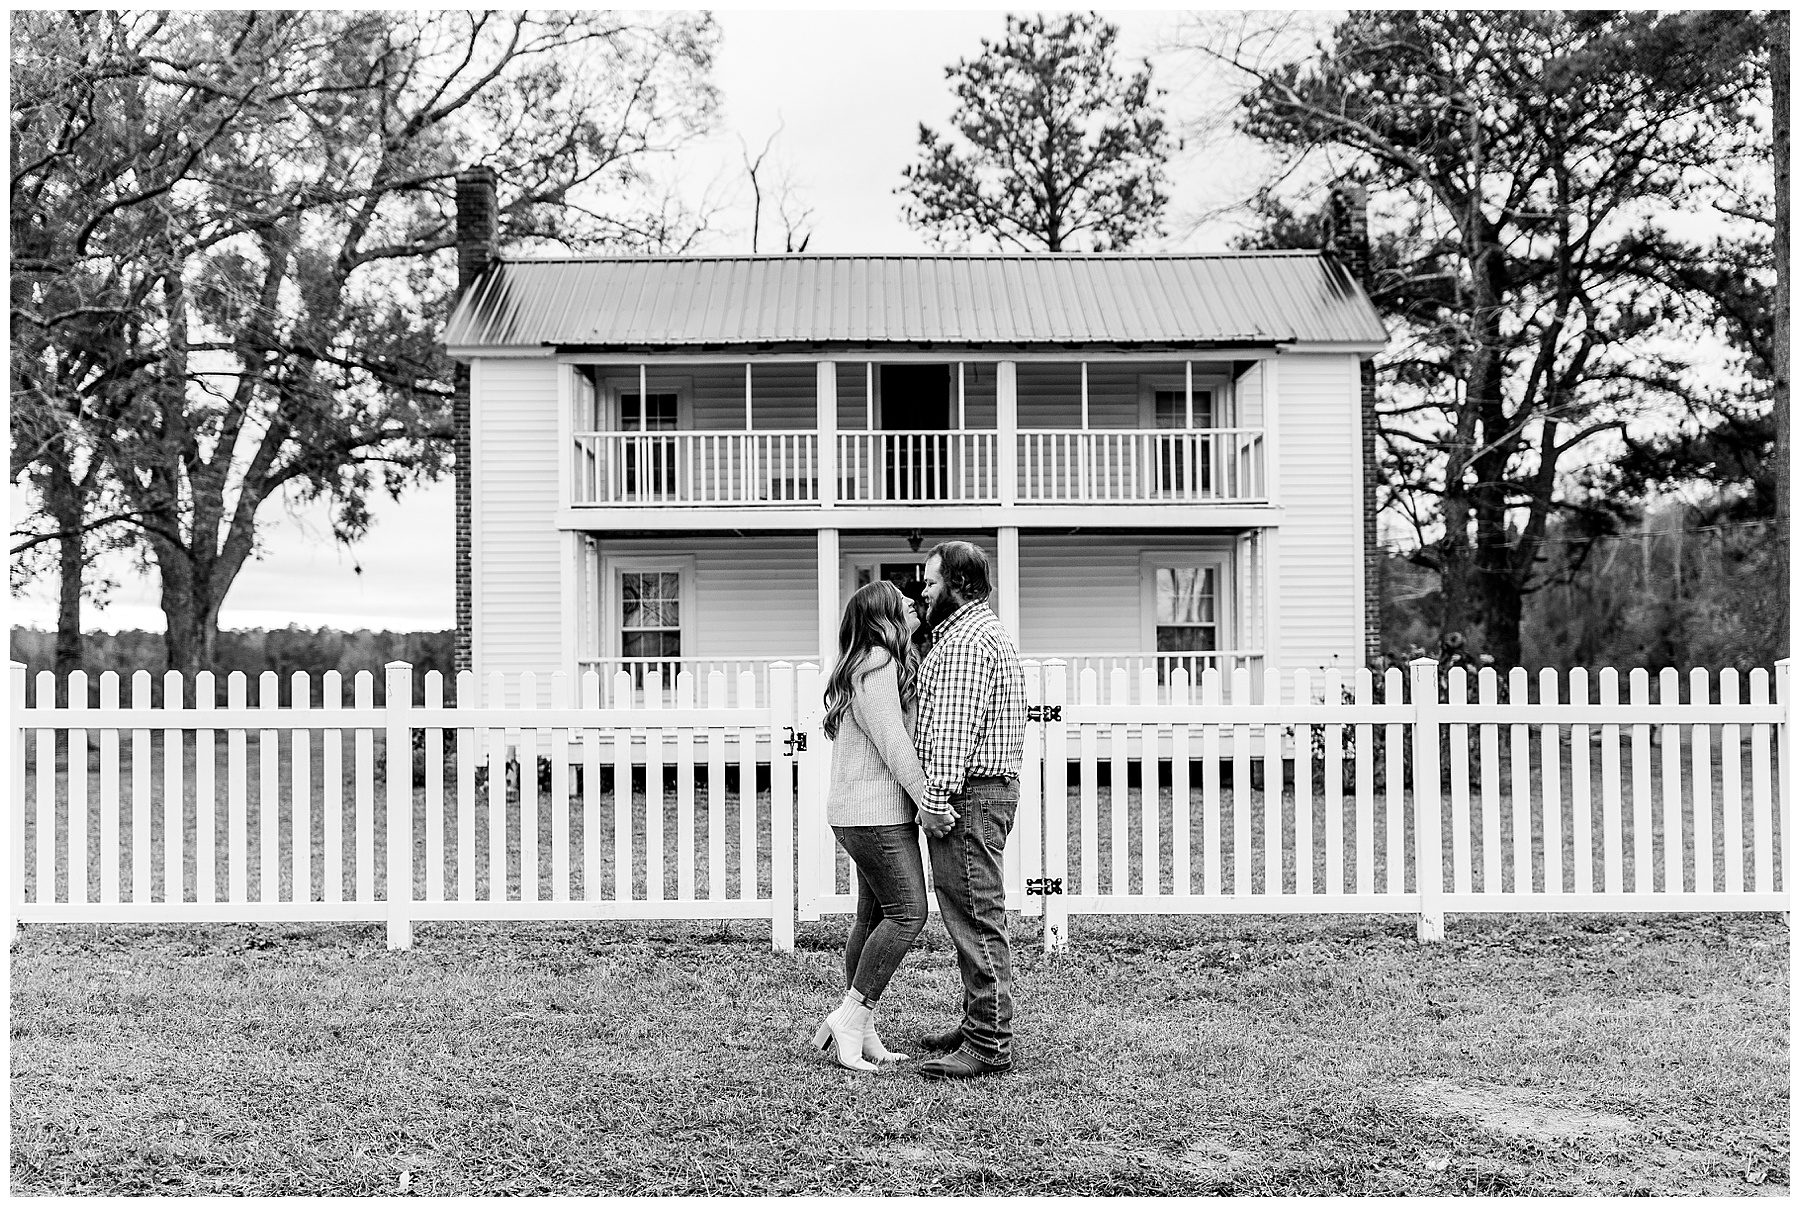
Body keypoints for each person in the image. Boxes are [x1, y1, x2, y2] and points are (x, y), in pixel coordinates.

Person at [909, 540, 1027, 1080]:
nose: (924, 592)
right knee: (972, 911)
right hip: (986, 790)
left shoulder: (965, 643)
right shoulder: (980, 632)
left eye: (931, 583)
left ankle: (988, 1043)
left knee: (976, 915)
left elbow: (953, 733)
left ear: (958, 584)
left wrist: (935, 804)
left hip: (969, 794)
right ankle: (981, 1020)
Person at [810, 581, 932, 1072]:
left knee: (871, 917)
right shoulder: (877, 663)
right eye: (903, 602)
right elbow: (893, 743)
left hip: (863, 813)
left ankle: (861, 1031)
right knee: (909, 913)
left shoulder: (868, 664)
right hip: (874, 815)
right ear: (884, 617)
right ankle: (850, 1017)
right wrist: (930, 799)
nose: (913, 603)